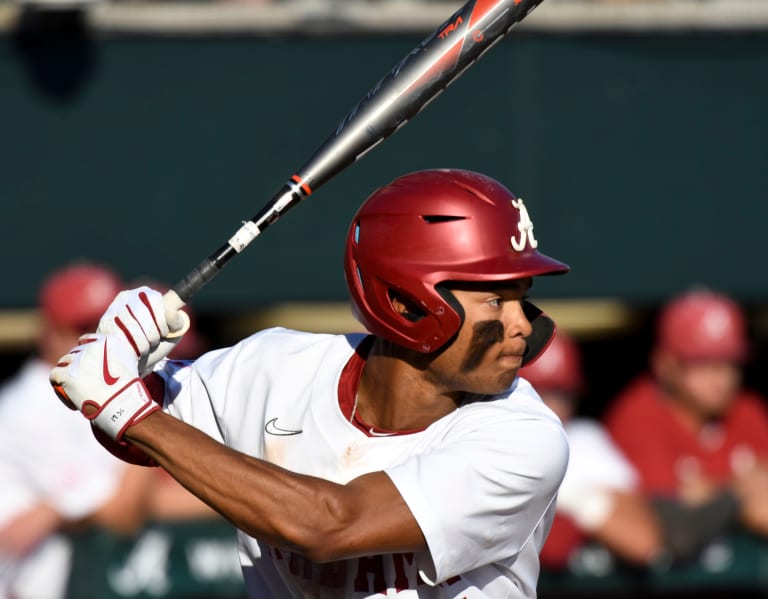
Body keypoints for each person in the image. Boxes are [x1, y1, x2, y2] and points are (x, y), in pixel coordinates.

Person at [50, 169, 572, 598]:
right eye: (495, 300)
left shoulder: (524, 438)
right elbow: (134, 435)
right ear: (407, 302)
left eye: (521, 296)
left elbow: (329, 526)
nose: (523, 323)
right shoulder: (273, 368)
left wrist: (129, 409)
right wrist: (123, 361)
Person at [0, 262, 217, 599]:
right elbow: (123, 511)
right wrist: (145, 397)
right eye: (82, 327)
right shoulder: (29, 409)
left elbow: (135, 498)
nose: (96, 340)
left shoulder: (83, 393)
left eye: (102, 327)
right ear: (49, 331)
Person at [604, 288, 768, 554]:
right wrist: (741, 491)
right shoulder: (639, 414)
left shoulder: (748, 412)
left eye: (729, 362)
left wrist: (711, 492)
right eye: (704, 363)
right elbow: (670, 526)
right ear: (665, 364)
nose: (722, 377)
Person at [519, 330, 664, 570]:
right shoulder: (488, 446)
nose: (553, 406)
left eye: (561, 394)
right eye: (540, 392)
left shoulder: (584, 440)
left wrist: (582, 502)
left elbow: (646, 545)